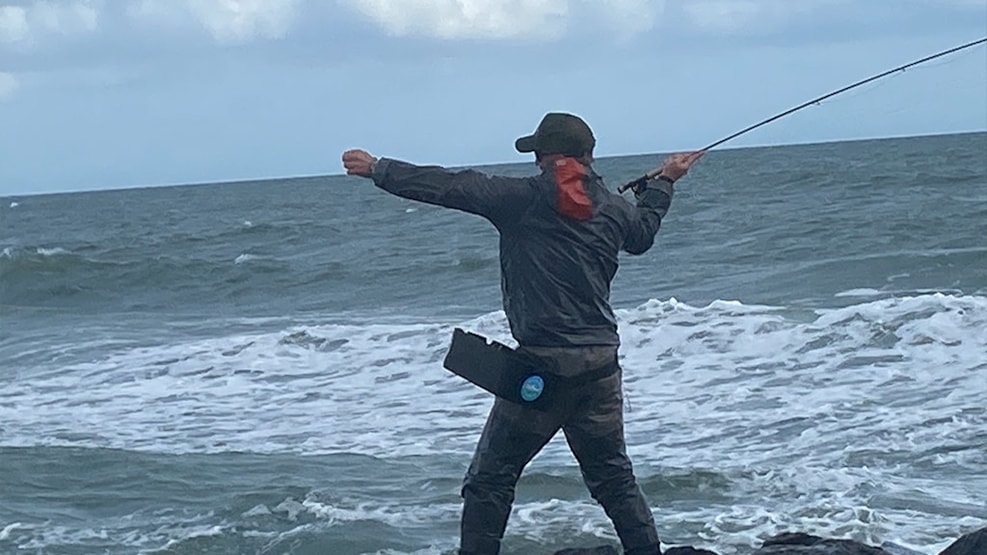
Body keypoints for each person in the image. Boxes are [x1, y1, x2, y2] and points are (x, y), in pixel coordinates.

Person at [341, 112, 703, 555]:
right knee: (613, 479)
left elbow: (451, 187)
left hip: (542, 370)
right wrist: (665, 182)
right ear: (589, 156)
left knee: (490, 480)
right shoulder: (612, 208)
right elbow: (642, 235)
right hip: (600, 366)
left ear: (543, 157)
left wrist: (379, 169)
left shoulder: (520, 198)